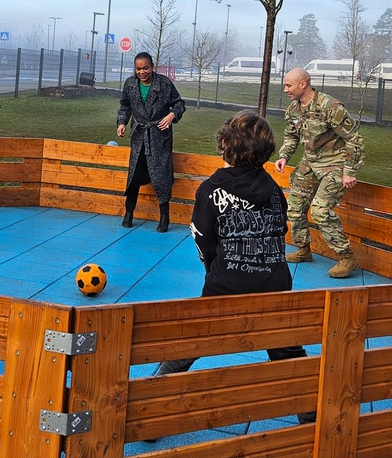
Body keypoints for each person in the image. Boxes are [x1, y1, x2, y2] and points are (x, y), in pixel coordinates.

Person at [151, 111, 315, 425]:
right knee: (286, 350)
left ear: (224, 144)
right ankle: (310, 416)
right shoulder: (274, 192)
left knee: (189, 342)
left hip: (226, 285)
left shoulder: (210, 190)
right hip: (274, 285)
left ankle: (152, 410)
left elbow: (202, 237)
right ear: (266, 152)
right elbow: (279, 231)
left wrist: (217, 271)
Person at [273, 68, 365, 278]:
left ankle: (347, 257)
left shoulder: (330, 107)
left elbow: (355, 140)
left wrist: (350, 171)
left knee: (320, 210)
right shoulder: (293, 109)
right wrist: (284, 156)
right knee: (294, 207)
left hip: (336, 165)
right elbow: (291, 136)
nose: (285, 89)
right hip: (312, 163)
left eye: (289, 85)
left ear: (303, 84)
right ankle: (304, 250)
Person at [116, 52, 186, 232]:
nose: (142, 72)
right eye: (138, 68)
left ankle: (165, 217)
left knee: (161, 177)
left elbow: (179, 104)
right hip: (139, 137)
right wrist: (122, 122)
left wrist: (171, 115)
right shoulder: (130, 84)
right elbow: (125, 105)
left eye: (145, 68)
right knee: (133, 177)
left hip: (159, 137)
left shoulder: (164, 84)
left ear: (152, 66)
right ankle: (128, 213)